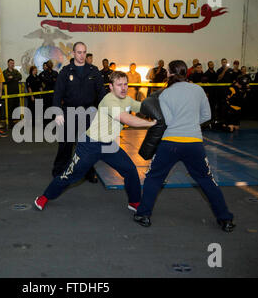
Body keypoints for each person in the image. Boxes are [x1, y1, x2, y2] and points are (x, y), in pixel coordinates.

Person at [133, 60, 235, 232]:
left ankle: (143, 214)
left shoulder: (165, 94)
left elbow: (169, 121)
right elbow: (206, 115)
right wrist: (190, 123)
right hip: (194, 143)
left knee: (154, 177)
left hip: (171, 142)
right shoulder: (198, 89)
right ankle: (225, 219)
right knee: (206, 180)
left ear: (171, 73)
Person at [34, 71, 156, 212]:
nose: (123, 88)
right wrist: (150, 124)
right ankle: (44, 197)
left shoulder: (127, 100)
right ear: (110, 86)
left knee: (130, 170)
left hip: (109, 145)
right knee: (69, 175)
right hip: (90, 145)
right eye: (119, 85)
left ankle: (134, 202)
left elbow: (142, 107)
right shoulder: (109, 100)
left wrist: (159, 108)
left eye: (125, 84)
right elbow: (126, 119)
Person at [50, 41, 106, 182]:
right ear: (74, 53)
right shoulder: (65, 71)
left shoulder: (94, 71)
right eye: (79, 52)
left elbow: (101, 93)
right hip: (69, 111)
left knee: (87, 145)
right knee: (66, 144)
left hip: (88, 113)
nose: (82, 55)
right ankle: (59, 170)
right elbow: (57, 93)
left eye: (84, 52)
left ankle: (88, 172)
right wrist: (57, 112)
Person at [3, 59, 22, 127]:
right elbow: (5, 80)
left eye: (13, 63)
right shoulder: (5, 72)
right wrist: (11, 79)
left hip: (16, 92)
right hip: (9, 93)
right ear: (8, 64)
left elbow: (20, 77)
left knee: (16, 107)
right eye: (11, 63)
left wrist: (12, 77)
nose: (12, 64)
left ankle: (16, 122)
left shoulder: (16, 71)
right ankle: (10, 123)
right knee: (10, 108)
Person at [39, 60, 58, 124]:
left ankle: (54, 121)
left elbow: (56, 82)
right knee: (46, 108)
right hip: (46, 94)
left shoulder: (55, 73)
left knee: (54, 107)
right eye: (48, 64)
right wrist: (52, 80)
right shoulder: (43, 74)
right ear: (46, 65)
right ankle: (46, 123)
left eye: (51, 64)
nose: (50, 65)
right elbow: (46, 81)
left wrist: (51, 80)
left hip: (54, 94)